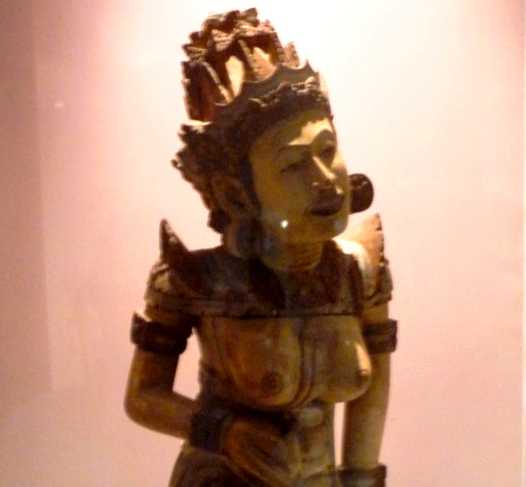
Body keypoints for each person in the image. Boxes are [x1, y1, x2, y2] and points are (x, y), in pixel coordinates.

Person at [125, 9, 396, 487]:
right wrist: (223, 433)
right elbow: (143, 396)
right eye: (293, 165)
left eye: (327, 150)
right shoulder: (195, 281)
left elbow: (371, 395)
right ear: (237, 195)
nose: (324, 180)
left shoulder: (360, 271)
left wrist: (361, 480)